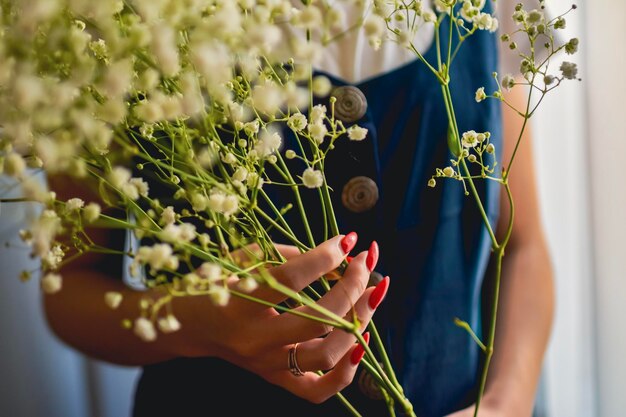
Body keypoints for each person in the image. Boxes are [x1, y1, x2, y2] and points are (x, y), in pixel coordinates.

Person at [43, 1, 554, 416]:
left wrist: (503, 405)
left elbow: (523, 242)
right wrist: (193, 323)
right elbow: (70, 286)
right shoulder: (103, 20)